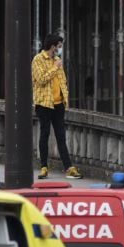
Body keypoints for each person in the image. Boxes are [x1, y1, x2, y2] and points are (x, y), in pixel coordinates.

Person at [31, 33, 81, 180]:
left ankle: (68, 167)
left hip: (58, 104)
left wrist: (65, 98)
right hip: (44, 104)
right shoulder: (38, 60)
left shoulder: (57, 60)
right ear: (52, 47)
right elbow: (41, 80)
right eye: (58, 46)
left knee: (61, 136)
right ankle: (43, 167)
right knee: (44, 134)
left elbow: (62, 80)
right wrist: (54, 68)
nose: (59, 50)